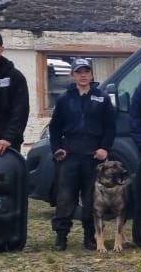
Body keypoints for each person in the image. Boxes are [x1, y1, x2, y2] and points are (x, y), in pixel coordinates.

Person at [48, 58, 116, 251]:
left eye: (86, 71)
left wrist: (105, 148)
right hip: (69, 155)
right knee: (65, 198)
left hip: (93, 156)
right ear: (73, 75)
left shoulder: (102, 98)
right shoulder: (64, 99)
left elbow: (110, 128)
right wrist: (57, 148)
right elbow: (55, 128)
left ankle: (91, 237)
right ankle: (61, 238)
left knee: (91, 198)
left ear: (92, 75)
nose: (83, 75)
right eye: (79, 72)